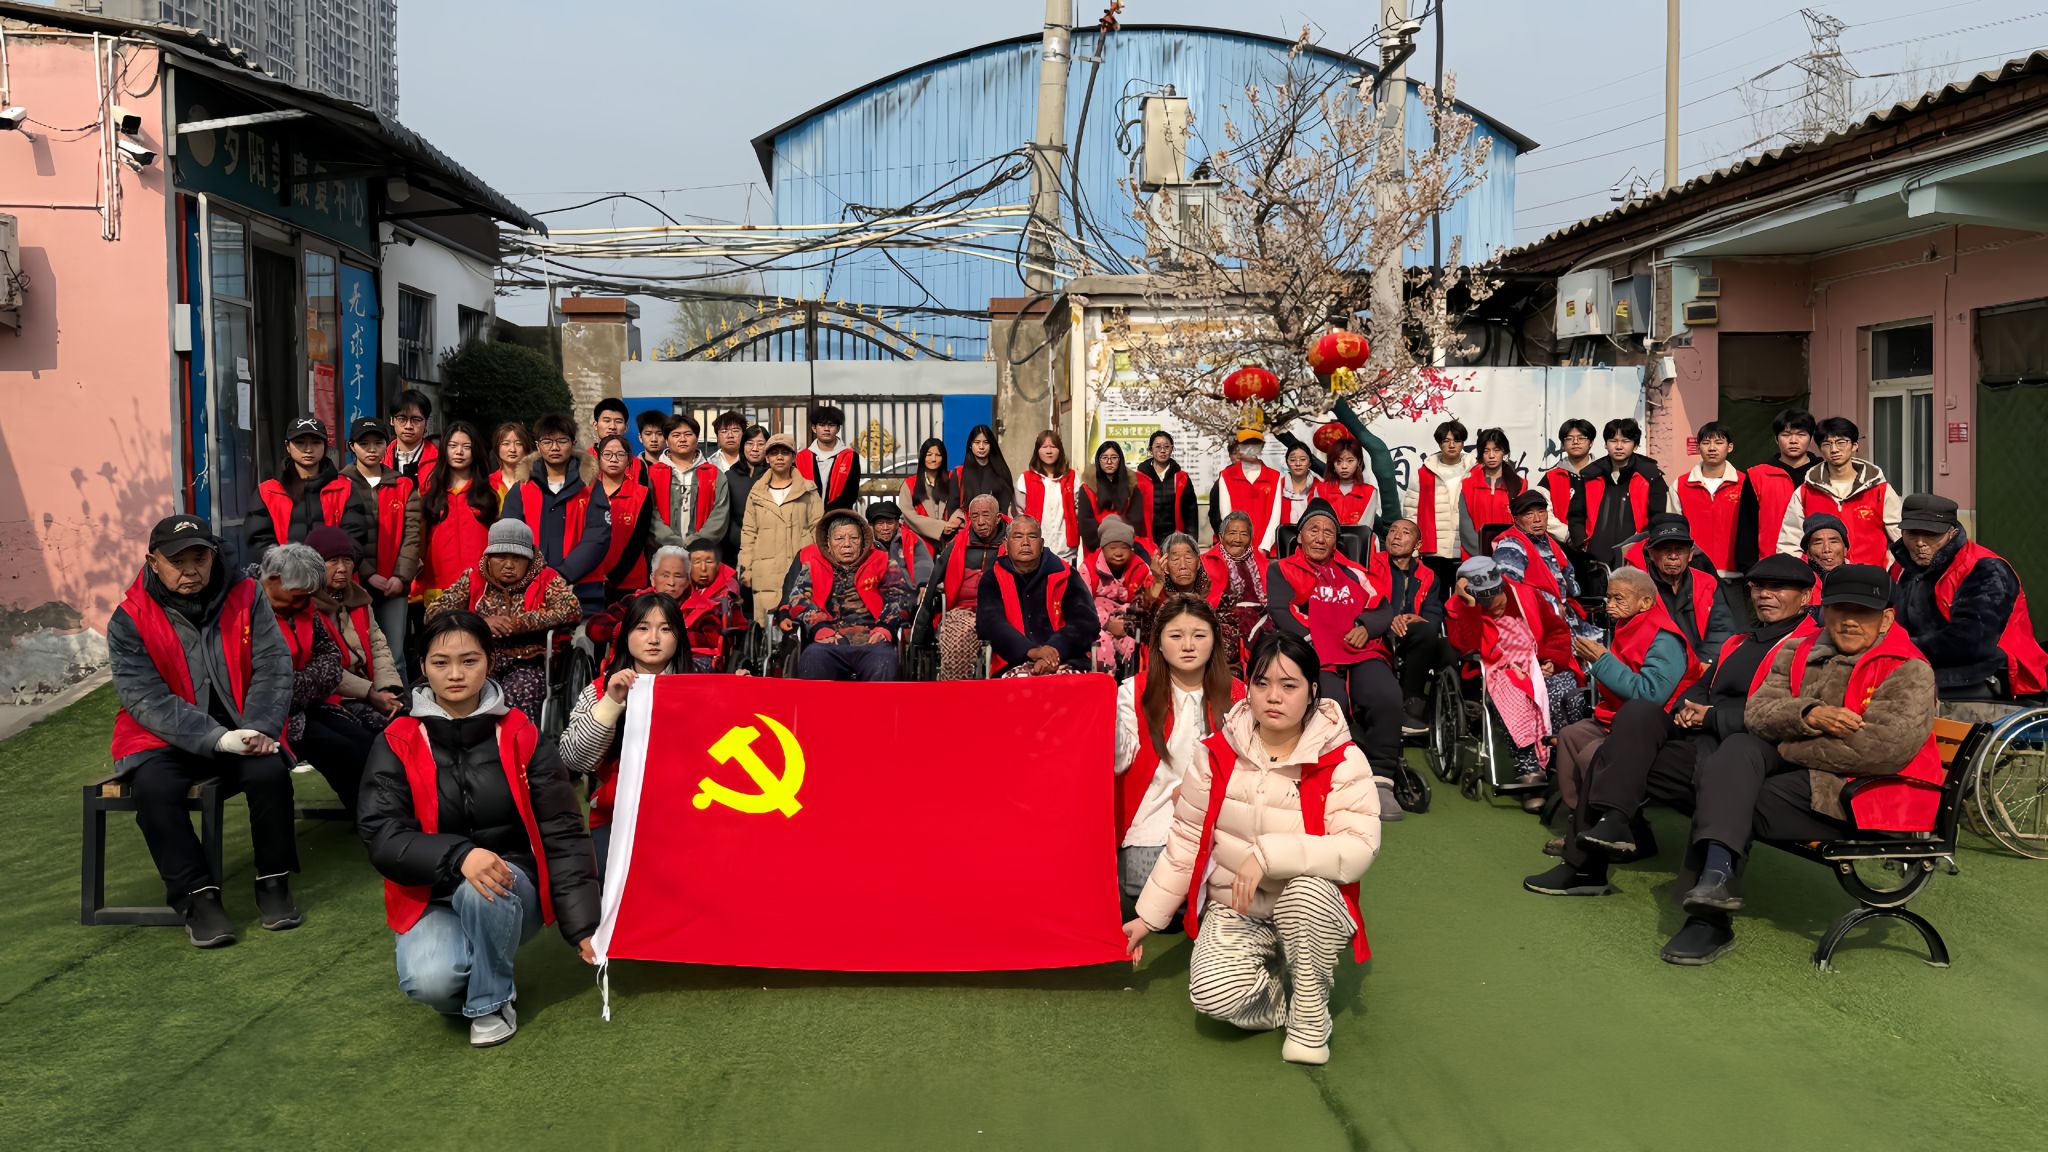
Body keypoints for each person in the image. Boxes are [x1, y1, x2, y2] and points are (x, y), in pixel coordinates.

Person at [1122, 630, 1380, 1067]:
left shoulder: (1341, 758)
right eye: (1262, 683)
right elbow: (1185, 841)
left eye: (1289, 685)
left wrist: (1266, 855)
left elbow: (1358, 848)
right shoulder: (1216, 753)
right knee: (1211, 996)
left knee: (1308, 894)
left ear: (1312, 690)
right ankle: (1286, 993)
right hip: (1236, 908)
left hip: (1307, 906)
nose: (1273, 696)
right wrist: (1147, 917)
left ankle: (1310, 1014)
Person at [1661, 564, 1938, 965]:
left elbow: (1880, 750)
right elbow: (1758, 713)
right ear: (1824, 611)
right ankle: (1715, 883)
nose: (1849, 621)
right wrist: (1809, 714)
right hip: (1806, 780)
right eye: (1840, 609)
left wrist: (1786, 743)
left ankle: (1709, 917)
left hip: (1866, 796)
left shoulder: (1910, 668)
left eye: (1862, 611)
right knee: (1737, 752)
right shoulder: (1797, 649)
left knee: (1729, 792)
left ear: (1886, 618)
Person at [359, 610, 601, 1047]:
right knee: (430, 983)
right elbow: (382, 836)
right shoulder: (396, 740)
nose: (455, 674)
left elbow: (563, 831)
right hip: (431, 893)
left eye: (469, 660)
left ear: (490, 660)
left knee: (481, 886)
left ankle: (492, 1001)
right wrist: (459, 856)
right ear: (423, 665)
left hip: (513, 887)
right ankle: (479, 973)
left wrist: (583, 924)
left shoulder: (522, 733)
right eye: (441, 662)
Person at [1535, 554, 1818, 894]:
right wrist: (1688, 708)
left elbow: (1785, 712)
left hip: (1749, 756)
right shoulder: (1739, 641)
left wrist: (1709, 715)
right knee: (1636, 716)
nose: (1765, 594)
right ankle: (1610, 828)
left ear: (1805, 596)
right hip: (1701, 740)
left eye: (1779, 587)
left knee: (1609, 745)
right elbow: (1700, 687)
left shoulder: (1811, 646)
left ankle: (1597, 862)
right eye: (1759, 586)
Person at [109, 514, 297, 947]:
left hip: (242, 725)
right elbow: (145, 698)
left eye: (200, 558)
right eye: (177, 562)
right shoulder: (128, 618)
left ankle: (274, 881)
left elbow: (273, 665)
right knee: (154, 791)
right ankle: (198, 898)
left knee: (269, 773)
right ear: (152, 562)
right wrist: (217, 738)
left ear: (214, 556)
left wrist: (259, 728)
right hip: (161, 737)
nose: (190, 570)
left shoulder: (247, 594)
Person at [1533, 566, 1701, 868]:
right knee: (1571, 736)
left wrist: (1601, 660)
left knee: (1592, 753)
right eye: (1609, 597)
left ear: (1645, 602)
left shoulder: (1664, 638)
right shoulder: (1629, 624)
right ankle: (1582, 824)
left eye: (1618, 599)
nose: (1609, 604)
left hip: (1655, 729)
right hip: (1616, 718)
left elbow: (1651, 695)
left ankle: (1612, 831)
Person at [1264, 499, 1404, 808]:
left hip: (1359, 649)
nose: (1320, 537)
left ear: (1336, 540)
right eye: (1313, 530)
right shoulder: (1282, 570)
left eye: (1328, 532)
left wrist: (1366, 627)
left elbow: (1381, 608)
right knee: (1330, 703)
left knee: (1384, 694)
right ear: (1299, 536)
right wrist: (1313, 639)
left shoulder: (1354, 572)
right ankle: (1328, 776)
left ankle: (1382, 779)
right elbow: (1280, 611)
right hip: (1313, 652)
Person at [1113, 596, 1244, 923]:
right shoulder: (1133, 691)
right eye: (1176, 636)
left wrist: (1197, 792)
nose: (1188, 645)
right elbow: (1118, 762)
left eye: (1199, 635)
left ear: (1214, 640)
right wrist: (1104, 717)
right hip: (1154, 824)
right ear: (1158, 643)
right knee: (1146, 886)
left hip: (1218, 823)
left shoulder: (1238, 695)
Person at [559, 592, 689, 868]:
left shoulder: (699, 688)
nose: (653, 639)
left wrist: (740, 695)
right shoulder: (600, 689)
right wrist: (611, 702)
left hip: (685, 816)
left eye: (665, 629)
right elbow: (573, 759)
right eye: (642, 628)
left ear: (679, 637)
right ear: (626, 635)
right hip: (615, 816)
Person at [1446, 556, 1582, 810]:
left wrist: (1551, 660)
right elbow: (1468, 646)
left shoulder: (1526, 595)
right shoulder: (1460, 607)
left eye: (1498, 601)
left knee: (1566, 693)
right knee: (1514, 699)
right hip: (1497, 672)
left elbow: (1557, 631)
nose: (1494, 608)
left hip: (1539, 665)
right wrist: (1471, 607)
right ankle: (1529, 772)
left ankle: (1562, 761)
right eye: (1486, 605)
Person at [1891, 493, 2047, 700]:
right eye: (1912, 534)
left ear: (1952, 533)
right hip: (1919, 663)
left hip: (1992, 673)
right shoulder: (1900, 567)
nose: (1920, 543)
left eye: (1931, 534)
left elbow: (1971, 641)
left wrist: (1895, 650)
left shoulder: (1986, 568)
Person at [426, 521, 582, 718]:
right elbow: (433, 612)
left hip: (528, 661)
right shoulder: (474, 577)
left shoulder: (546, 577)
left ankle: (517, 736)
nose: (509, 565)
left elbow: (572, 609)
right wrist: (480, 623)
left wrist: (518, 623)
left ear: (529, 558)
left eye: (517, 558)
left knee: (519, 691)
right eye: (501, 557)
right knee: (468, 691)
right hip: (477, 659)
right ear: (489, 557)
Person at [499, 412, 613, 616]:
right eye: (547, 441)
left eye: (562, 441)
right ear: (538, 445)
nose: (554, 447)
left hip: (583, 592)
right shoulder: (522, 488)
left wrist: (563, 573)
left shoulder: (590, 487)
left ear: (573, 443)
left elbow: (598, 537)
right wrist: (535, 575)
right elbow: (509, 538)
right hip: (529, 589)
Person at [782, 509, 914, 682]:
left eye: (854, 538)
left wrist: (885, 627)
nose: (847, 544)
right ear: (828, 543)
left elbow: (900, 597)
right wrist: (819, 627)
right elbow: (797, 599)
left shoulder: (883, 561)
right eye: (839, 538)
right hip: (828, 641)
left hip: (872, 641)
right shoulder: (813, 565)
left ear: (863, 541)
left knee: (885, 661)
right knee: (813, 658)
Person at [307, 526, 404, 735]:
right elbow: (322, 667)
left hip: (371, 688)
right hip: (335, 695)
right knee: (380, 734)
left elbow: (378, 646)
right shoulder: (306, 609)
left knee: (411, 719)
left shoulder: (359, 600)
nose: (342, 568)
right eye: (333, 561)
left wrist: (386, 687)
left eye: (347, 560)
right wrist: (370, 693)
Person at [977, 514, 1099, 675]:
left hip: (1065, 658)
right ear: (1006, 544)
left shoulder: (1065, 575)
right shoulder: (993, 578)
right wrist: (1032, 651)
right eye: (1018, 536)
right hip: (1013, 662)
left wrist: (1054, 650)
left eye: (1032, 536)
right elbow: (990, 624)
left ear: (1041, 544)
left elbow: (1086, 622)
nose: (1025, 543)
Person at [340, 417, 421, 659]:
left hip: (393, 586)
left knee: (395, 656)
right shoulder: (340, 484)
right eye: (364, 444)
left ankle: (400, 688)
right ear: (352, 446)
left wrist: (400, 577)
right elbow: (342, 536)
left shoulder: (403, 485)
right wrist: (367, 573)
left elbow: (412, 536)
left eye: (378, 443)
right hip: (353, 583)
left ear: (387, 445)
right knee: (357, 654)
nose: (372, 449)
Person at [1776, 416, 1901, 566]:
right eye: (1827, 444)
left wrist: (1888, 568)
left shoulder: (1880, 489)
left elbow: (1901, 538)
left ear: (1854, 445)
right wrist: (1804, 574)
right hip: (1823, 577)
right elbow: (1789, 543)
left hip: (1872, 576)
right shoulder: (1805, 492)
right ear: (1820, 449)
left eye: (1841, 442)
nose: (1834, 449)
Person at [247, 415, 373, 555]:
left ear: (325, 446)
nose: (308, 449)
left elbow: (355, 536)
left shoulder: (344, 489)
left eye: (316, 442)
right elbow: (258, 540)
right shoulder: (268, 491)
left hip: (332, 568)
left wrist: (335, 564)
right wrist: (283, 565)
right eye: (300, 442)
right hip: (284, 568)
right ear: (288, 446)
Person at [738, 434, 822, 626]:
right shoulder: (757, 493)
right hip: (765, 572)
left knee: (800, 624)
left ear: (793, 457)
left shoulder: (808, 490)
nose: (779, 457)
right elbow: (749, 533)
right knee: (767, 629)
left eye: (785, 453)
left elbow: (818, 529)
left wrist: (816, 565)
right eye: (774, 453)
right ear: (767, 458)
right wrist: (746, 569)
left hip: (800, 568)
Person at [1491, 491, 1595, 640]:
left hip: (1566, 615)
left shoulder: (1550, 543)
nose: (1537, 519)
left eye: (1541, 512)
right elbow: (1510, 588)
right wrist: (1551, 604)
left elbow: (1570, 579)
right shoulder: (1511, 545)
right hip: (1536, 621)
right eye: (1529, 514)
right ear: (1516, 519)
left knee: (1604, 645)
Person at [1381, 519, 1454, 731]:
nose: (1396, 536)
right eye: (1392, 531)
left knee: (1449, 648)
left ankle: (1444, 711)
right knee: (1423, 632)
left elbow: (1433, 611)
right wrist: (1390, 618)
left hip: (1417, 634)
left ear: (1418, 545)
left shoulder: (1428, 575)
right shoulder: (1373, 565)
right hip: (1382, 631)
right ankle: (1411, 701)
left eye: (1405, 532)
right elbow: (1369, 600)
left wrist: (1422, 619)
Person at [925, 493, 1008, 680]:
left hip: (1001, 609)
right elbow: (932, 585)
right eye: (975, 516)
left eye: (986, 515)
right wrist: (920, 631)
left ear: (998, 518)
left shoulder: (1013, 541)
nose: (980, 522)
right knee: (957, 638)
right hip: (963, 611)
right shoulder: (957, 544)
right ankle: (957, 689)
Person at [1626, 514, 1737, 652]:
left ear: (1690, 554)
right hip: (1654, 660)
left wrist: (1705, 661)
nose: (1673, 556)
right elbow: (1631, 639)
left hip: (1701, 660)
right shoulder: (1634, 586)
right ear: (1652, 554)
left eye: (1679, 549)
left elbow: (1721, 630)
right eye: (1666, 549)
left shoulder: (1707, 583)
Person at [417, 422, 497, 608]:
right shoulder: (429, 492)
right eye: (453, 446)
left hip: (482, 585)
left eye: (466, 447)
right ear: (444, 449)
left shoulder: (491, 492)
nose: (459, 452)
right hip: (438, 584)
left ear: (475, 451)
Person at [1575, 417, 1668, 566]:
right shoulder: (1590, 475)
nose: (1618, 446)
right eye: (1613, 441)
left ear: (1635, 445)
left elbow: (1659, 518)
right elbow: (1576, 515)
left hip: (1636, 555)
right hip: (1594, 556)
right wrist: (1581, 542)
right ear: (1605, 444)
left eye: (1625, 441)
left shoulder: (1650, 475)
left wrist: (1643, 546)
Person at [1734, 407, 1818, 571]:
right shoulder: (1758, 475)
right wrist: (1749, 570)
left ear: (1811, 438)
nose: (1793, 440)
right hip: (1771, 566)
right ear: (1776, 439)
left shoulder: (1822, 473)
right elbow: (1747, 526)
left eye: (1801, 434)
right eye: (1786, 435)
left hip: (1819, 565)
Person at [1135, 533, 1237, 658]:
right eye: (1175, 560)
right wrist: (1157, 584)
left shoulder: (1218, 594)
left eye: (1188, 559)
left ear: (1198, 563)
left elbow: (1229, 646)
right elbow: (1136, 628)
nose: (1183, 566)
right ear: (1165, 567)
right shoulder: (1155, 591)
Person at [649, 413, 730, 557]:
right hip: (662, 553)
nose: (682, 439)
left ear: (696, 438)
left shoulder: (714, 474)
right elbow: (649, 513)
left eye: (688, 434)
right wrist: (672, 542)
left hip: (702, 554)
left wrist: (697, 542)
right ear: (666, 440)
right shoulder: (652, 474)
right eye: (676, 435)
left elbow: (720, 514)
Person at [1669, 421, 1744, 577]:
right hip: (1693, 571)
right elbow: (1673, 529)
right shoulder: (1680, 485)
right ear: (1698, 448)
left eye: (1719, 442)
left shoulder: (1744, 483)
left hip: (1736, 572)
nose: (1712, 448)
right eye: (1706, 443)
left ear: (1730, 447)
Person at [588, 433, 653, 602]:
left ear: (629, 460)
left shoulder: (641, 494)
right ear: (598, 458)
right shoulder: (586, 493)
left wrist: (614, 576)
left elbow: (639, 540)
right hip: (589, 577)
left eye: (620, 454)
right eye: (607, 454)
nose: (613, 459)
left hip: (630, 581)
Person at [1084, 515, 1152, 674]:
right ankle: (1104, 678)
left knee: (1137, 639)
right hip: (1097, 620)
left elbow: (1145, 602)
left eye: (1124, 547)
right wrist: (1107, 623)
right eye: (1113, 547)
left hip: (1127, 619)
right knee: (1100, 641)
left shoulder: (1140, 568)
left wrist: (1128, 622)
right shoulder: (1088, 568)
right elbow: (1082, 604)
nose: (1119, 553)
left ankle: (1132, 676)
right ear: (1102, 548)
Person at [1403, 419, 1476, 561]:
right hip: (1432, 552)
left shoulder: (1475, 472)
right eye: (1446, 441)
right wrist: (1413, 551)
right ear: (1439, 443)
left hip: (1469, 551)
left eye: (1457, 440)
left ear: (1463, 443)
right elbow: (1411, 514)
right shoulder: (1422, 474)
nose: (1452, 445)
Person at [1203, 510, 1268, 664]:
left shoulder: (1261, 561)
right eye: (1232, 533)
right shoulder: (1206, 562)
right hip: (1224, 620)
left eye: (1244, 534)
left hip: (1262, 618)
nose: (1238, 539)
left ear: (1250, 538)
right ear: (1221, 537)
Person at [678, 539, 749, 671]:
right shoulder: (680, 586)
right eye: (697, 562)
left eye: (709, 562)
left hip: (710, 650)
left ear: (718, 565)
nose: (703, 569)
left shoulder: (728, 587)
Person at [1209, 424, 1281, 548]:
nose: (1250, 449)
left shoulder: (1274, 477)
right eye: (1246, 444)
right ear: (1239, 447)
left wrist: (1264, 547)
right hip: (1236, 548)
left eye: (1255, 444)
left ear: (1262, 447)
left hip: (1267, 549)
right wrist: (1237, 545)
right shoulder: (1226, 476)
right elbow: (1226, 515)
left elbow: (1275, 517)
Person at [1457, 428, 1523, 558]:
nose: (1491, 455)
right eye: (1486, 451)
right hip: (1476, 558)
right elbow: (1466, 528)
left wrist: (1505, 554)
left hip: (1510, 557)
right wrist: (1484, 555)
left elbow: (1522, 525)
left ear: (1504, 452)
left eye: (1496, 450)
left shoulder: (1519, 485)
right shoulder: (1467, 486)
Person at [1018, 430, 1080, 564]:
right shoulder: (1026, 478)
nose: (1049, 451)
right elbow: (1019, 512)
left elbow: (1078, 510)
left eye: (1053, 446)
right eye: (1044, 447)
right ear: (1037, 451)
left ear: (1060, 450)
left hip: (1066, 549)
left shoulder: (1072, 477)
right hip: (1036, 548)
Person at [1078, 440, 1144, 557]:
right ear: (1098, 460)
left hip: (1126, 546)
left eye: (1114, 458)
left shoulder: (1131, 487)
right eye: (1104, 458)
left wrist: (1123, 543)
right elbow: (1085, 523)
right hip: (1097, 549)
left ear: (1120, 460)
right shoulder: (1087, 488)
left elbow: (1136, 520)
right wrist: (1105, 545)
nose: (1109, 462)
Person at [1134, 430, 1198, 543]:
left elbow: (1191, 514)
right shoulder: (1140, 478)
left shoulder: (1181, 478)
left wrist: (1192, 541)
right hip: (1146, 540)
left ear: (1172, 449)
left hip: (1175, 540)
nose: (1162, 450)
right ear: (1150, 450)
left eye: (1167, 447)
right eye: (1158, 446)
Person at [797, 404, 862, 512]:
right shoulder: (801, 457)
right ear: (814, 428)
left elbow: (851, 492)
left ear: (838, 429)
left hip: (838, 515)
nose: (826, 429)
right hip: (807, 515)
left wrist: (829, 513)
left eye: (831, 425)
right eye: (822, 425)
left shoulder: (850, 456)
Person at [1312, 437, 1378, 536]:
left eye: (1350, 461)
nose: (1344, 466)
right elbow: (1317, 522)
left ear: (1359, 462)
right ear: (1332, 464)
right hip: (1326, 541)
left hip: (1358, 542)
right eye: (1338, 461)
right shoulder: (1321, 490)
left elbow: (1365, 529)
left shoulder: (1369, 492)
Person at [1542, 418, 1597, 529]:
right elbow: (1543, 512)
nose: (1575, 442)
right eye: (1569, 438)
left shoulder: (1603, 474)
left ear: (1591, 442)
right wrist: (1565, 534)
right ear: (1563, 444)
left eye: (1581, 438)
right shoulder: (1551, 477)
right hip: (1563, 537)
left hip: (1599, 537)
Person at [903, 437, 957, 548]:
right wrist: (940, 527)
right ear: (923, 457)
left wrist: (956, 520)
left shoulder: (953, 478)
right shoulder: (910, 483)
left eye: (938, 455)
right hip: (921, 544)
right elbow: (909, 515)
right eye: (929, 454)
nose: (933, 459)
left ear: (944, 458)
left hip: (951, 541)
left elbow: (962, 504)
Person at [951, 423, 1014, 516]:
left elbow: (1004, 508)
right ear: (970, 445)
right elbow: (952, 507)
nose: (981, 447)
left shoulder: (1001, 471)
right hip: (966, 523)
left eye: (986, 442)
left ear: (991, 445)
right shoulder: (959, 473)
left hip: (996, 522)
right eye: (977, 442)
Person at [1267, 441, 1321, 547]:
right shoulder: (1277, 486)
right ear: (1287, 462)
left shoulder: (1320, 488)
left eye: (1303, 459)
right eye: (1292, 460)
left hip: (1312, 544)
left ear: (1310, 462)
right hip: (1281, 544)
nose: (1298, 464)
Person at [867, 500, 931, 585]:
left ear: (897, 524)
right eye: (880, 524)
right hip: (874, 589)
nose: (885, 528)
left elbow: (922, 562)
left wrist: (923, 583)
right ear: (871, 526)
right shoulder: (865, 545)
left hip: (908, 589)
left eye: (890, 523)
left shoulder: (911, 539)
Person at [383, 389, 440, 485]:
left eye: (416, 419)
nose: (408, 426)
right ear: (392, 420)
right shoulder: (380, 458)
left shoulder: (440, 461)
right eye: (402, 419)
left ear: (426, 423)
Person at [588, 398, 644, 484]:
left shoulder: (637, 465)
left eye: (618, 421)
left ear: (626, 428)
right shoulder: (582, 460)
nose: (612, 427)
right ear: (595, 425)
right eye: (607, 421)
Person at [1798, 512, 1849, 606]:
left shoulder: (1862, 580)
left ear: (1845, 550)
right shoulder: (1798, 584)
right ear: (1808, 552)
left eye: (1834, 542)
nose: (1827, 549)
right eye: (1818, 543)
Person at [489, 422, 531, 501]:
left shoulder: (535, 481)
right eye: (506, 443)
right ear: (497, 448)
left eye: (518, 444)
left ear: (526, 448)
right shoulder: (489, 483)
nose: (512, 449)